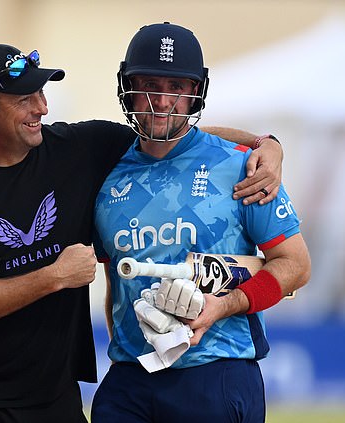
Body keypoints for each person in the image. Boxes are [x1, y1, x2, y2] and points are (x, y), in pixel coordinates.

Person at [0, 42, 283, 423]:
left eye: (42, 92)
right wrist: (54, 276)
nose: (42, 107)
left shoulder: (76, 150)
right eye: (24, 98)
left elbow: (172, 133)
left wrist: (264, 144)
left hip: (54, 394)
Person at [92, 22, 312, 423]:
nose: (161, 100)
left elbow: (295, 266)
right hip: (128, 381)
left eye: (176, 87)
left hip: (217, 372)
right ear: (127, 85)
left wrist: (225, 305)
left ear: (195, 92)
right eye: (148, 84)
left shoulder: (242, 165)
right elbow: (114, 283)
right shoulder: (104, 175)